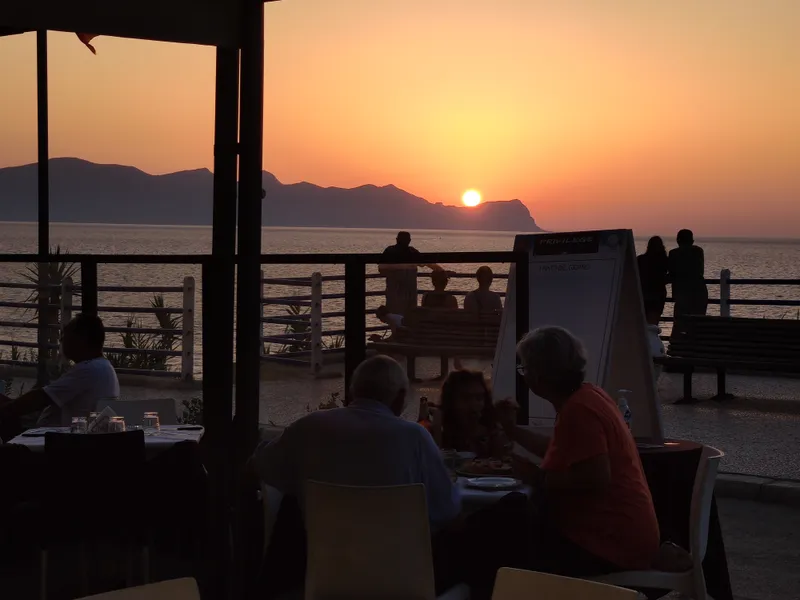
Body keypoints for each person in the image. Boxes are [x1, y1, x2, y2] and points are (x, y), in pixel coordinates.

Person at [496, 326, 659, 577]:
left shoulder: (579, 411)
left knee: (501, 536)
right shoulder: (590, 395)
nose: (524, 375)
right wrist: (512, 430)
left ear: (539, 375)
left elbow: (596, 477)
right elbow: (564, 450)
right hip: (624, 536)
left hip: (607, 545)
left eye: (525, 368)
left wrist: (536, 477)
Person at [252, 354, 460, 529]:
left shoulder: (308, 427)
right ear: (400, 398)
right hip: (400, 570)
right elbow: (446, 508)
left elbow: (262, 466)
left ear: (353, 392)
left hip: (325, 568)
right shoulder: (415, 437)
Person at [0, 314, 119, 430]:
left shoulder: (87, 370)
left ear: (81, 339)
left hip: (54, 440)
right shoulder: (104, 367)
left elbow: (42, 398)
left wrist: (7, 409)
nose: (61, 339)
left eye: (65, 334)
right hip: (67, 436)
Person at [433, 370, 508, 458]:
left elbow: (500, 462)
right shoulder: (439, 428)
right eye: (466, 398)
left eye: (479, 398)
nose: (474, 404)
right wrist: (436, 429)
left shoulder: (490, 430)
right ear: (451, 400)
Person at [378, 231, 442, 316]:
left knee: (396, 320)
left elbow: (381, 269)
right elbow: (427, 262)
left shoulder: (390, 251)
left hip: (395, 295)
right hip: (409, 295)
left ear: (397, 240)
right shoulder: (412, 252)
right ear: (409, 240)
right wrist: (441, 271)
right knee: (409, 321)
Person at [669, 229, 708, 322]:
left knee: (680, 324)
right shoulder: (698, 251)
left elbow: (671, 273)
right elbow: (700, 271)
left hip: (681, 294)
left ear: (678, 240)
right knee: (698, 323)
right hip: (699, 293)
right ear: (692, 241)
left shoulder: (674, 253)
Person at [637, 236, 669, 324]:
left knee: (642, 322)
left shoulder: (641, 259)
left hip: (643, 294)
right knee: (653, 323)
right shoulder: (664, 260)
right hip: (658, 295)